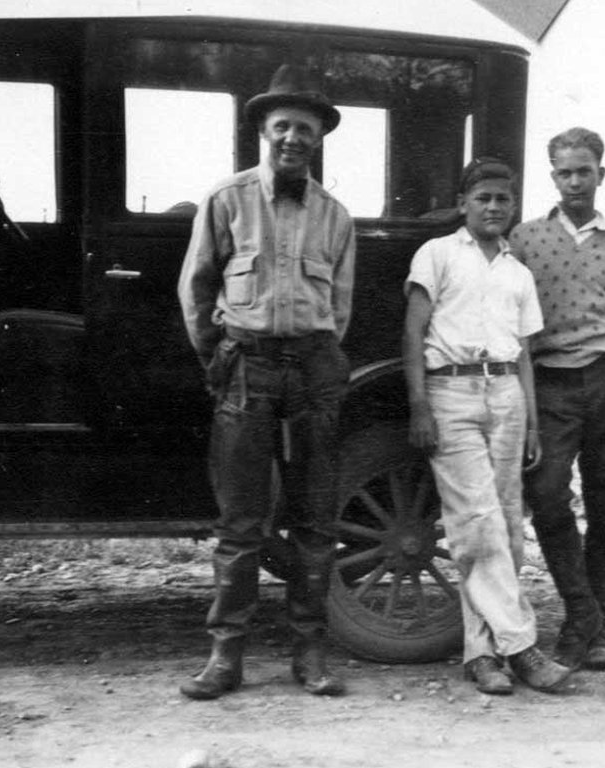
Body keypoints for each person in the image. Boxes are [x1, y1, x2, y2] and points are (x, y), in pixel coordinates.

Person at [177, 64, 355, 700]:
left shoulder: (334, 216)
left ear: (318, 138)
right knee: (241, 521)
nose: (293, 138)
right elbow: (197, 289)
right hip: (246, 368)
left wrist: (314, 352)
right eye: (283, 126)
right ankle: (226, 655)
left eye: (305, 128)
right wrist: (220, 358)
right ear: (263, 130)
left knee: (315, 518)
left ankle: (310, 651)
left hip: (312, 370)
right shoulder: (227, 200)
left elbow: (339, 306)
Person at [403, 157, 571, 695]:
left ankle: (482, 654)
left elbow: (523, 354)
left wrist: (533, 424)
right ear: (463, 204)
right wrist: (420, 406)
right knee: (476, 524)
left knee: (506, 527)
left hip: (506, 394)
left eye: (503, 199)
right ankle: (522, 647)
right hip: (450, 392)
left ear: (513, 206)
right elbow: (413, 332)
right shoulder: (437, 254)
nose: (494, 207)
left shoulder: (518, 272)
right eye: (483, 198)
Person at [508, 127, 605, 671]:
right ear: (553, 176)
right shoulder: (524, 239)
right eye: (565, 172)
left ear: (601, 174)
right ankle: (582, 611)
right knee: (547, 494)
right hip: (550, 383)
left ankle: (593, 631)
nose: (575, 181)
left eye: (584, 171)